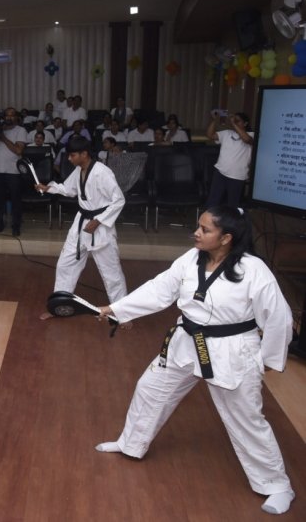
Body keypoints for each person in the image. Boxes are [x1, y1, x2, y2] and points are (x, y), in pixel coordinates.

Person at [96, 206, 295, 516]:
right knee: (150, 390)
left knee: (245, 419)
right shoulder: (190, 259)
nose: (197, 233)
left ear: (226, 238)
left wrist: (268, 357)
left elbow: (279, 318)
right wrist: (117, 309)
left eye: (205, 229)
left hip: (231, 350)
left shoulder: (254, 271)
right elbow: (160, 289)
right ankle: (131, 444)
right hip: (187, 341)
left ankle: (276, 484)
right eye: (198, 227)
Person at [36, 137, 128, 321]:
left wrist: (99, 220)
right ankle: (59, 306)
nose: (69, 159)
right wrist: (48, 188)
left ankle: (123, 314)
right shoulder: (79, 170)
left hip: (100, 228)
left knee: (111, 273)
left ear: (84, 154)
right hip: (81, 224)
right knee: (65, 264)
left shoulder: (103, 172)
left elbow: (119, 199)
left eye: (72, 155)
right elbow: (68, 189)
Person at [0, 108, 27, 237]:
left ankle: (16, 226)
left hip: (14, 172)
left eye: (12, 115)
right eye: (6, 115)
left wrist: (3, 138)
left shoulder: (21, 131)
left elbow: (18, 151)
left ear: (16, 117)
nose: (8, 118)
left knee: (16, 200)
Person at [206, 111, 253, 209]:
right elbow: (210, 135)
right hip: (220, 173)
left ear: (245, 123)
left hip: (237, 176)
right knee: (212, 202)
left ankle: (230, 224)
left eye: (238, 121)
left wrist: (233, 123)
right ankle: (210, 222)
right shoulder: (227, 133)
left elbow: (247, 140)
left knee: (232, 205)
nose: (234, 122)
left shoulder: (251, 134)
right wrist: (214, 120)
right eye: (234, 120)